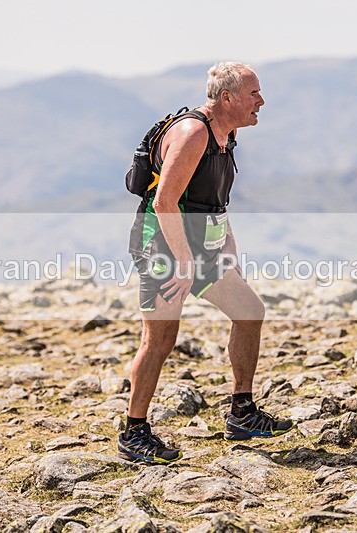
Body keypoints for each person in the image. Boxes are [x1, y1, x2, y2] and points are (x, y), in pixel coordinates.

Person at [119, 62, 293, 464]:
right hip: (163, 247)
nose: (261, 102)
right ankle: (134, 432)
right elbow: (164, 203)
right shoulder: (193, 133)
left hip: (200, 248)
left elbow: (214, 199)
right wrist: (183, 263)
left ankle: (243, 413)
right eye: (254, 94)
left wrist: (226, 247)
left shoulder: (225, 134)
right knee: (160, 339)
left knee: (249, 311)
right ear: (227, 98)